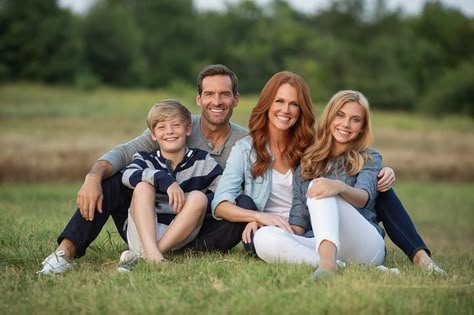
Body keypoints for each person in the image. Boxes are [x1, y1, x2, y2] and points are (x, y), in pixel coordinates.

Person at [37, 64, 435, 275]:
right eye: (209, 94)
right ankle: (65, 252)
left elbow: (344, 158)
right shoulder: (178, 128)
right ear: (199, 98)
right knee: (114, 179)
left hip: (214, 222)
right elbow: (123, 153)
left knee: (243, 206)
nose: (216, 101)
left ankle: (418, 256)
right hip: (160, 211)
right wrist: (92, 175)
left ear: (236, 100)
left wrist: (378, 171)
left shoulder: (258, 142)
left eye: (224, 94)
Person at [253, 90, 385, 279]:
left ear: (363, 127)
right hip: (321, 242)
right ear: (330, 117)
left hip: (365, 243)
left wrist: (339, 187)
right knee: (263, 237)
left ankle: (327, 265)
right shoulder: (308, 160)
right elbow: (299, 218)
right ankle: (336, 264)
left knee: (321, 187)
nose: (346, 124)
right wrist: (278, 230)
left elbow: (364, 197)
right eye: (340, 115)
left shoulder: (369, 157)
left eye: (355, 120)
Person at [118, 100, 222, 271]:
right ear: (153, 134)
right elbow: (126, 176)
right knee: (143, 187)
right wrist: (164, 180)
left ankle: (148, 255)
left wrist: (189, 199)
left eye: (176, 125)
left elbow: (223, 190)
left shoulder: (203, 160)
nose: (170, 132)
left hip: (180, 233)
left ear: (188, 129)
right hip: (143, 232)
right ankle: (152, 254)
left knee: (198, 197)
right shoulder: (145, 159)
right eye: (162, 127)